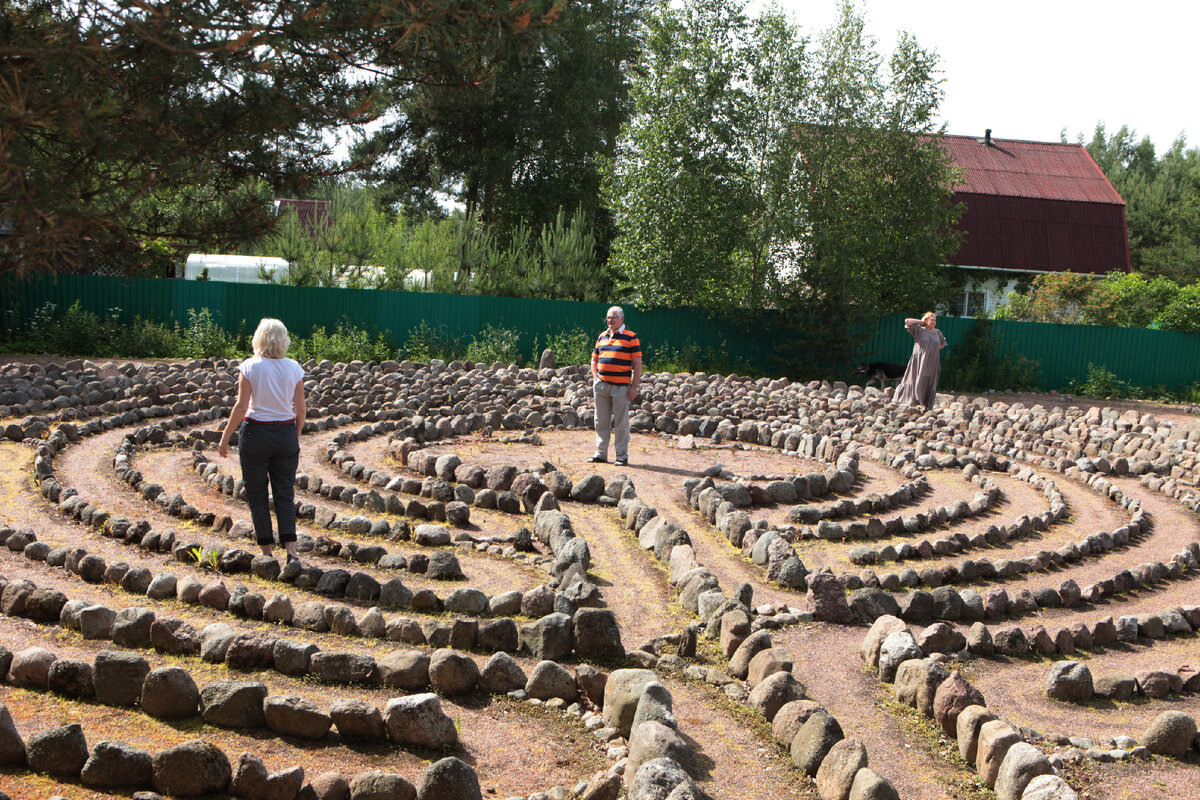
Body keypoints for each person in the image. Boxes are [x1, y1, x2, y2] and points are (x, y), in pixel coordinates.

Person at [218, 318, 306, 562]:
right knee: (284, 493)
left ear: (259, 339)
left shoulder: (250, 367)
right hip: (286, 433)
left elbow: (241, 406)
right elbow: (300, 410)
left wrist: (226, 436)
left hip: (255, 433)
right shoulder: (294, 368)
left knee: (257, 494)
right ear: (283, 340)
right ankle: (291, 550)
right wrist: (293, 435)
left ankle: (266, 552)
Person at [589, 305, 642, 466]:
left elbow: (637, 364)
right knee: (600, 421)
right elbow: (594, 359)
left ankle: (621, 456)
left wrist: (634, 387)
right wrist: (595, 376)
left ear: (622, 318)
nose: (610, 320)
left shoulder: (631, 337)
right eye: (608, 317)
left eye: (613, 317)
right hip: (602, 385)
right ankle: (600, 454)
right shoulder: (602, 336)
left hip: (621, 387)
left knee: (621, 422)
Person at [892, 311, 947, 409]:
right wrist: (922, 322)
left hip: (932, 361)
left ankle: (925, 403)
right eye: (931, 320)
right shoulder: (919, 330)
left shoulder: (938, 332)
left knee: (929, 379)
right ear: (926, 320)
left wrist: (931, 349)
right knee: (917, 377)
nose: (933, 322)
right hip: (919, 359)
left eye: (935, 320)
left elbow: (942, 344)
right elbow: (908, 321)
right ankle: (916, 400)